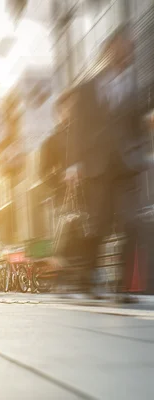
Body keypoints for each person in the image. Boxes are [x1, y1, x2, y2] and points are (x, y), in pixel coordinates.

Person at [64, 26, 148, 300]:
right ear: (109, 50)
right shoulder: (87, 89)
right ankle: (87, 279)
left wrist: (141, 153)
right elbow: (76, 128)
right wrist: (72, 164)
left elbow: (139, 127)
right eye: (121, 47)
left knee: (131, 222)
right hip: (96, 169)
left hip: (126, 168)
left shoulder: (135, 89)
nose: (126, 54)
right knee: (98, 226)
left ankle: (124, 287)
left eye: (130, 49)